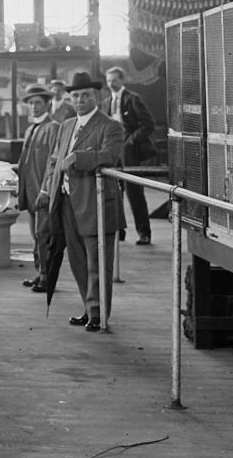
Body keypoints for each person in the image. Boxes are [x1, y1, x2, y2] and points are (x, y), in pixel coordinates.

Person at [38, 71, 123, 331]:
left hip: (95, 203)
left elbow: (111, 154)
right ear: (70, 98)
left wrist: (78, 157)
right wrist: (45, 190)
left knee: (97, 261)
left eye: (85, 95)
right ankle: (88, 309)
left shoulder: (110, 126)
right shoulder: (65, 126)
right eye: (75, 96)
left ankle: (98, 313)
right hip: (66, 202)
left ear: (96, 96)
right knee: (77, 260)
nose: (80, 100)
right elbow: (54, 160)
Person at [15, 85, 61, 294]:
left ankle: (46, 278)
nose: (33, 107)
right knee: (36, 236)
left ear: (47, 104)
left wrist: (47, 190)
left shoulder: (53, 128)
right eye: (31, 103)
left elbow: (54, 162)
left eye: (38, 103)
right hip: (31, 192)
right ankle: (39, 273)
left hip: (43, 193)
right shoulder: (30, 129)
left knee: (45, 236)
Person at [105, 65, 157, 245]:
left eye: (115, 80)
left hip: (130, 152)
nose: (111, 83)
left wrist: (131, 140)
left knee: (134, 192)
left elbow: (149, 124)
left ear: (122, 80)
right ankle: (118, 231)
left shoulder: (133, 99)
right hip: (113, 151)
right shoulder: (106, 103)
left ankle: (144, 233)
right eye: (109, 80)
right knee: (113, 192)